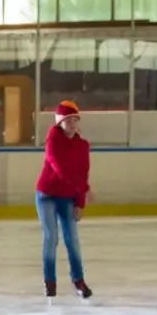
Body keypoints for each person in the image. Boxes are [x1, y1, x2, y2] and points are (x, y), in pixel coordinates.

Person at [35, 100, 93, 299]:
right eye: (67, 120)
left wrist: (80, 202)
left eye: (75, 119)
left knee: (72, 240)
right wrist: (83, 189)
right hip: (46, 196)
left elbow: (82, 173)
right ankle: (49, 282)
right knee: (51, 237)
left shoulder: (83, 146)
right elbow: (60, 169)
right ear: (59, 123)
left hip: (68, 197)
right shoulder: (52, 141)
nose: (72, 123)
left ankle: (79, 281)